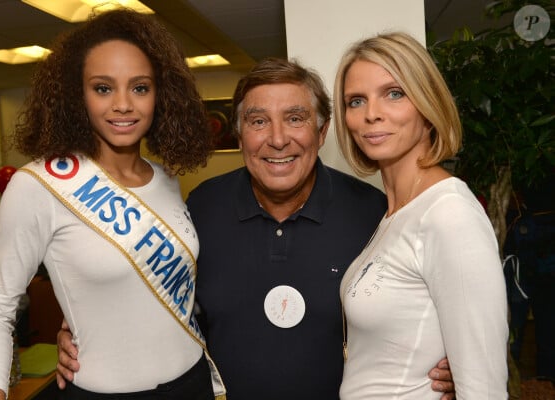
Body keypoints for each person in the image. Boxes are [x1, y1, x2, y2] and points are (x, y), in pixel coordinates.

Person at [57, 57, 456, 399]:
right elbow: (149, 290)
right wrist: (84, 329)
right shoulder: (200, 208)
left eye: (295, 119)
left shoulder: (373, 214)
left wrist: (452, 361)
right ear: (240, 133)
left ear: (321, 132)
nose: (277, 139)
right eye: (258, 121)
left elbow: (419, 310)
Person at [0, 9, 226, 400]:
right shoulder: (38, 186)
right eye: (103, 88)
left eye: (140, 87)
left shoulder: (167, 180)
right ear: (78, 95)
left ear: (161, 95)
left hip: (192, 385)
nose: (123, 104)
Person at [333, 32, 509, 398]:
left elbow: (485, 386)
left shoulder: (448, 213)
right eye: (356, 101)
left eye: (394, 93)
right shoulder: (395, 214)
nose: (371, 114)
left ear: (427, 104)